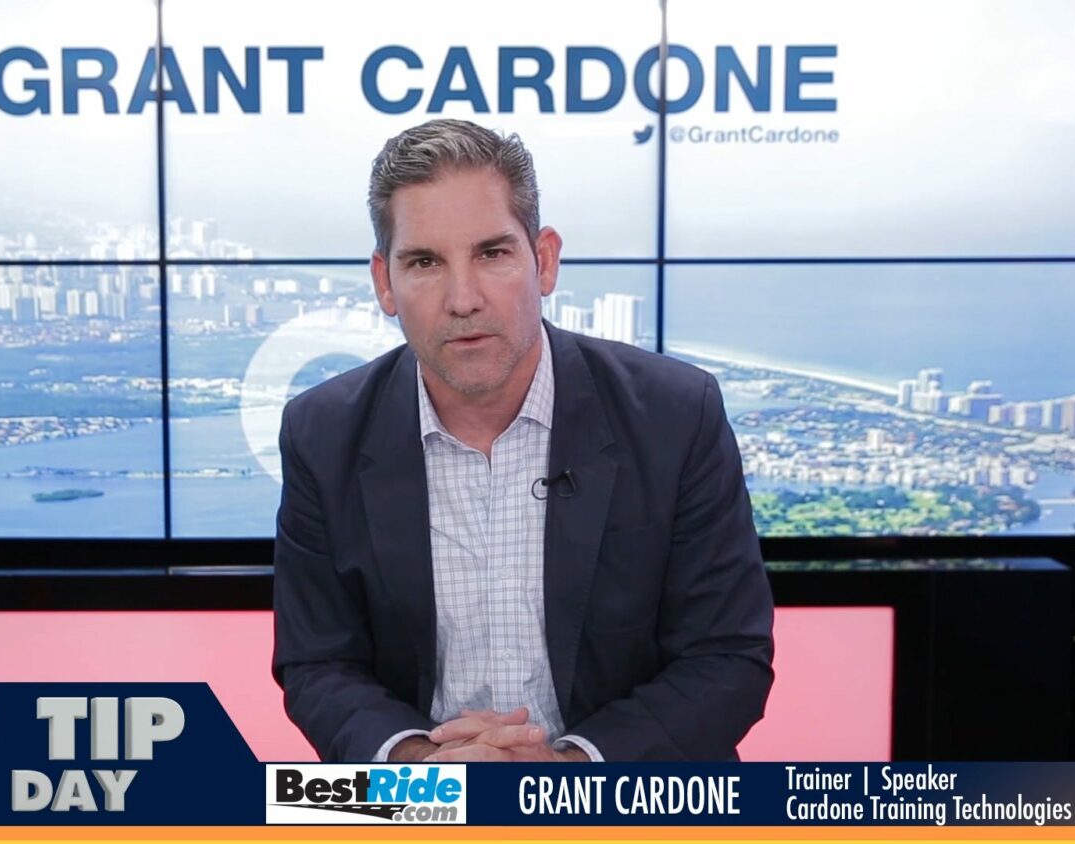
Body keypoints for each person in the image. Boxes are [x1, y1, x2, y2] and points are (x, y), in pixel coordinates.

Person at [272, 118, 773, 762]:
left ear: (544, 260)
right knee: (245, 808)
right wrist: (422, 768)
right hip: (416, 802)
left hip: (621, 797)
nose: (463, 299)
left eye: (492, 254)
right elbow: (318, 663)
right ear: (384, 283)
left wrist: (568, 773)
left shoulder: (675, 415)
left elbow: (726, 658)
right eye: (425, 262)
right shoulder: (322, 433)